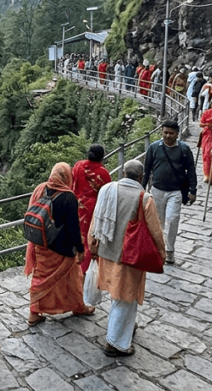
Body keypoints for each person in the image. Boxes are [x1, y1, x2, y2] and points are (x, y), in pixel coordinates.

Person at [88, 161, 165, 357]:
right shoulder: (144, 198)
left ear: (123, 173)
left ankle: (125, 328)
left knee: (117, 294)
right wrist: (161, 253)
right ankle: (115, 343)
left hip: (107, 252)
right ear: (141, 178)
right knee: (125, 298)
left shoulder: (107, 190)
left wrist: (92, 245)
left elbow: (96, 219)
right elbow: (155, 231)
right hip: (129, 257)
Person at [25, 163, 95, 326]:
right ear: (66, 177)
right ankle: (78, 307)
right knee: (72, 279)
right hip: (62, 248)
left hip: (41, 244)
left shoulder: (41, 189)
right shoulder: (68, 197)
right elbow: (73, 227)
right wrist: (80, 249)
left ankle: (34, 313)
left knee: (40, 278)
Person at [142, 120, 197, 265]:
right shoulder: (154, 148)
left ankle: (170, 250)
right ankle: (158, 248)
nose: (167, 136)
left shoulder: (184, 149)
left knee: (172, 219)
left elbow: (191, 170)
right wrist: (142, 189)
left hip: (176, 191)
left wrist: (193, 190)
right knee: (157, 221)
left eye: (171, 133)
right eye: (165, 132)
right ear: (161, 132)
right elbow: (146, 170)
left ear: (177, 134)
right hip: (157, 189)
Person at [71, 145, 112, 274]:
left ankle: (72, 266)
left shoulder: (78, 165)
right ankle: (84, 269)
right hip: (92, 209)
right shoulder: (103, 172)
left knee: (74, 234)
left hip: (75, 205)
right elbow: (107, 193)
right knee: (88, 238)